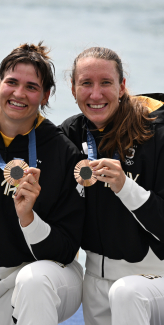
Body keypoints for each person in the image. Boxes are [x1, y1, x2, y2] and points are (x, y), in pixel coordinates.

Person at [0, 43, 85, 325]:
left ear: (45, 95)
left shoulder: (61, 151)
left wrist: (29, 219)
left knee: (32, 283)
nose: (19, 94)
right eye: (11, 82)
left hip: (46, 277)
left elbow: (67, 248)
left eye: (31, 87)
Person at [61, 47, 164, 325]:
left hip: (154, 283)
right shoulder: (70, 133)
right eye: (86, 83)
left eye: (106, 83)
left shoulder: (158, 132)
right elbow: (19, 131)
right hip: (96, 282)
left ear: (122, 87)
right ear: (73, 89)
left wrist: (125, 187)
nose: (96, 95)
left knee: (127, 293)